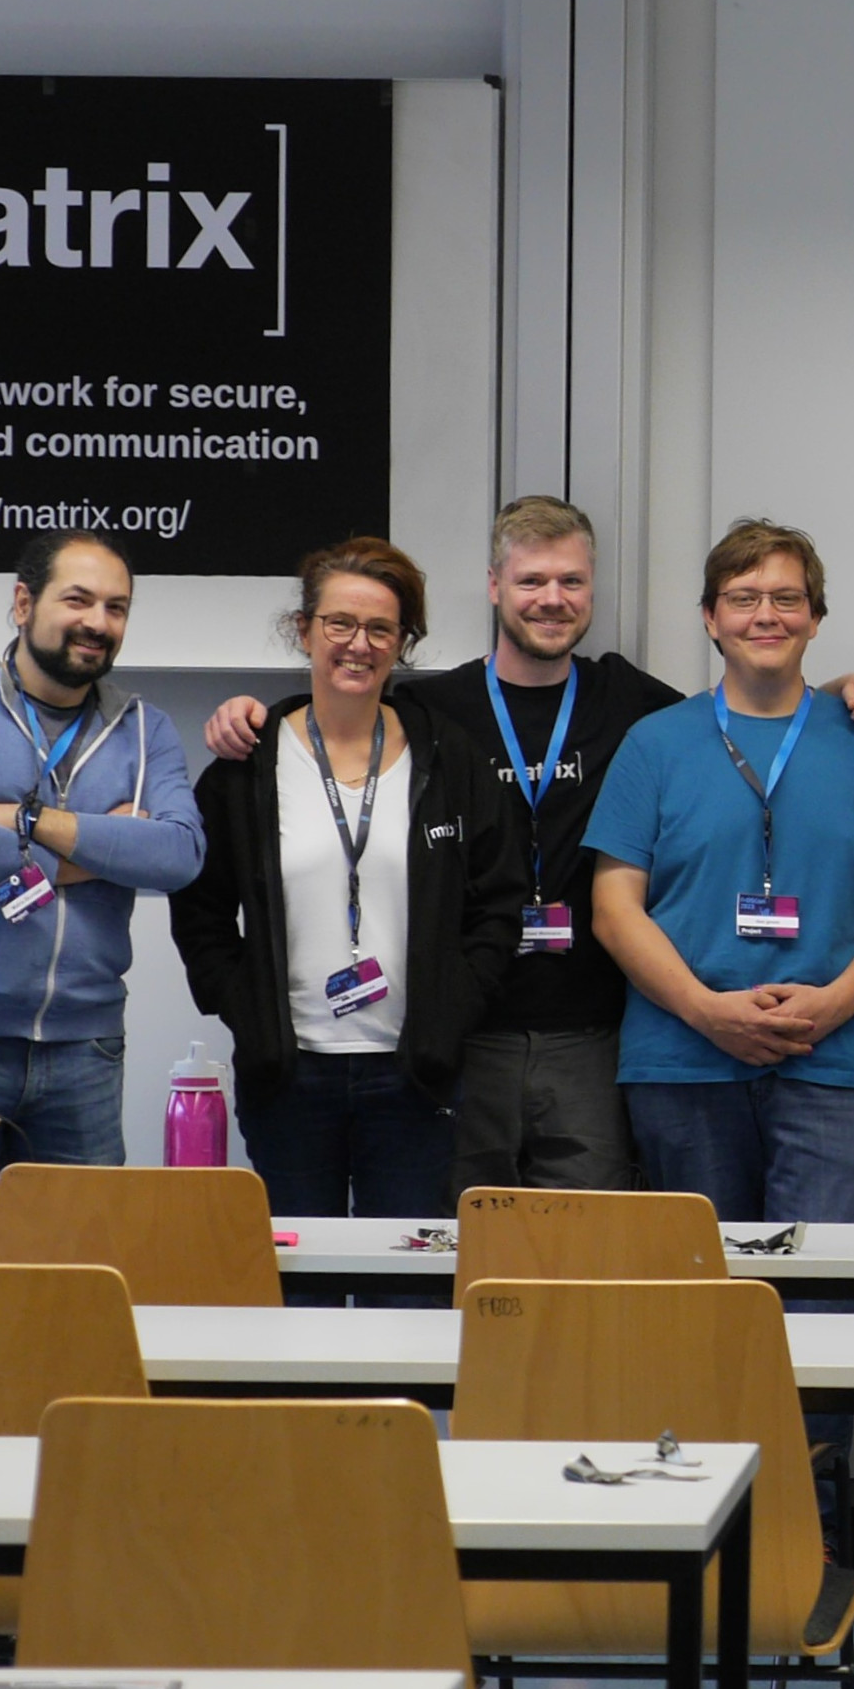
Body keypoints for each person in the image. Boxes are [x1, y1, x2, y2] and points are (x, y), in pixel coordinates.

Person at [205, 497, 687, 1194]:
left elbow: (733, 715)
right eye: (531, 580)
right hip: (463, 1041)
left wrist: (834, 691)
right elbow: (337, 711)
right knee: (448, 1237)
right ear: (494, 585)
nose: (552, 598)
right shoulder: (435, 713)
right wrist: (250, 714)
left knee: (578, 1245)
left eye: (571, 581)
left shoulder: (634, 702)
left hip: (588, 1031)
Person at [169, 538, 526, 1217]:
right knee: (301, 1270)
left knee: (407, 1272)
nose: (358, 645)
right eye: (339, 623)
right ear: (304, 630)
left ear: (402, 643)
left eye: (380, 629)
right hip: (289, 1073)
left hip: (414, 1073)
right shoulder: (248, 766)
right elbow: (199, 906)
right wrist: (237, 1000)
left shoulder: (450, 760)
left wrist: (459, 1000)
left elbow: (499, 902)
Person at [584, 518, 854, 1232]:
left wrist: (835, 1004)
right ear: (710, 617)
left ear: (815, 618)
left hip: (830, 1062)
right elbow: (614, 908)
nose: (766, 615)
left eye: (787, 598)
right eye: (743, 598)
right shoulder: (654, 743)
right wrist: (706, 1011)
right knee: (703, 1289)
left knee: (824, 1291)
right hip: (683, 1063)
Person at [0, 530, 205, 1171]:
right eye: (77, 600)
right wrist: (102, 849)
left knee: (78, 1239)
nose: (98, 623)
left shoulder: (146, 729)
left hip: (85, 1050)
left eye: (116, 607)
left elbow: (179, 855)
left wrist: (27, 820)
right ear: (24, 603)